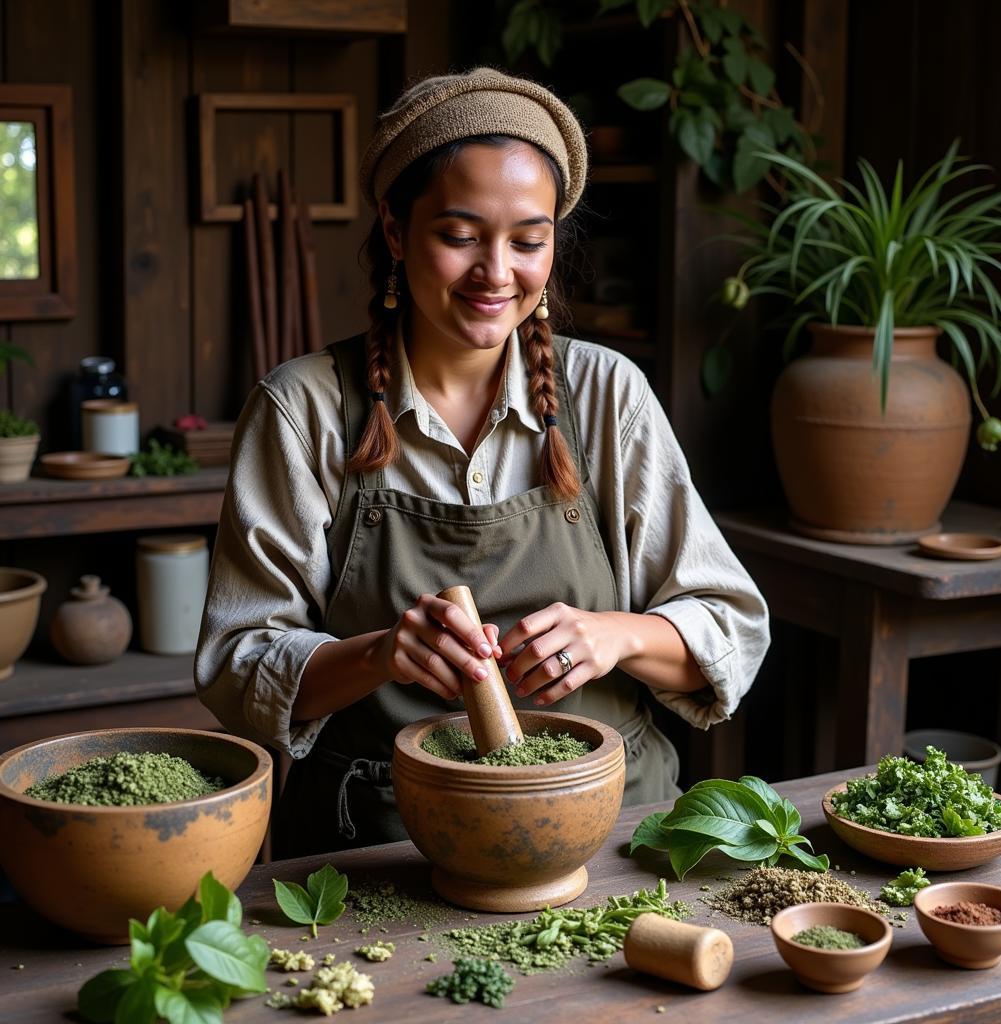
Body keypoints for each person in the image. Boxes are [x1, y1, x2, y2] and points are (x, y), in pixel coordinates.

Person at [195, 67, 770, 858]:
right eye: (460, 236)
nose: (497, 273)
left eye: (528, 241)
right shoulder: (303, 410)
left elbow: (732, 625)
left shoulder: (607, 395)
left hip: (608, 834)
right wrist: (380, 652)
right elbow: (237, 661)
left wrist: (617, 636)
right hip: (383, 847)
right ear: (396, 233)